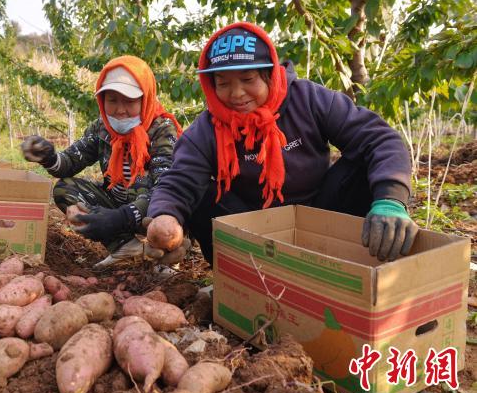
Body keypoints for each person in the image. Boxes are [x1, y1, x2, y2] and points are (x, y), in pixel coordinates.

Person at [146, 22, 418, 266]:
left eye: (248, 79)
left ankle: (355, 262)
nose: (237, 93)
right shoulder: (207, 128)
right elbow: (179, 180)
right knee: (199, 194)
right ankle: (237, 278)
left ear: (269, 74)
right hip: (252, 227)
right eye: (223, 83)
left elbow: (378, 137)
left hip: (320, 214)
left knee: (362, 162)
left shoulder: (309, 99)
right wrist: (166, 216)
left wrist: (391, 198)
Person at [21, 55, 182, 267]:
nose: (120, 110)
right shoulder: (102, 128)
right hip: (116, 205)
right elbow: (71, 160)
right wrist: (49, 157)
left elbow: (166, 189)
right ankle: (125, 245)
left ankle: (167, 256)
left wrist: (121, 218)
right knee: (65, 189)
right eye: (112, 100)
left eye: (130, 101)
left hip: (151, 211)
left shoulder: (163, 131)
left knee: (166, 220)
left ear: (146, 99)